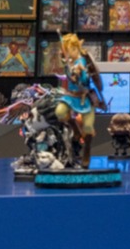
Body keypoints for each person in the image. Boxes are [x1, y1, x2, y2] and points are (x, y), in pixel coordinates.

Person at [55, 33, 101, 168]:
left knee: (88, 127)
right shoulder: (68, 62)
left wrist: (79, 72)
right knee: (60, 112)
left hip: (84, 98)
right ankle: (75, 129)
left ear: (77, 48)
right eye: (67, 50)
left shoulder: (83, 61)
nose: (70, 53)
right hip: (70, 96)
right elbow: (66, 74)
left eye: (72, 49)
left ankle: (86, 150)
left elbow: (86, 79)